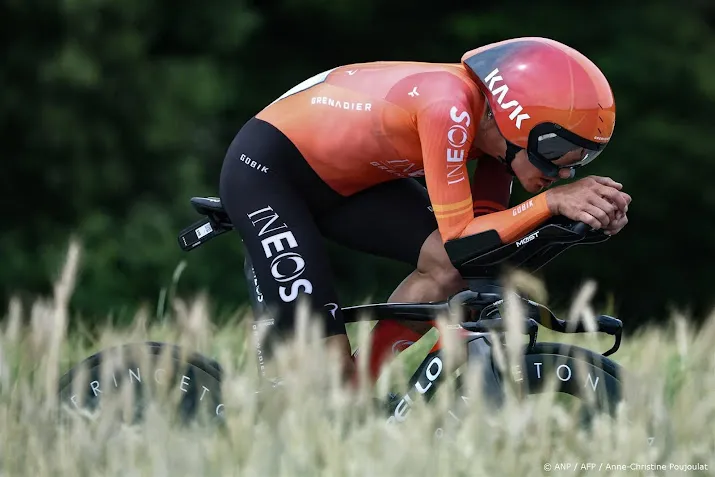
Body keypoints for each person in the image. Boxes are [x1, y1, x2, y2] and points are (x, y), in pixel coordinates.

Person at [218, 37, 631, 383]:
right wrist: (552, 203)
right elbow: (459, 238)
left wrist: (576, 219)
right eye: (556, 153)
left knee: (449, 271)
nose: (564, 172)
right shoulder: (448, 107)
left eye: (581, 160)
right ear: (516, 121)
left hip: (350, 182)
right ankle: (330, 391)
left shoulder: (495, 139)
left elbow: (479, 250)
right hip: (270, 172)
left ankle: (359, 387)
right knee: (325, 375)